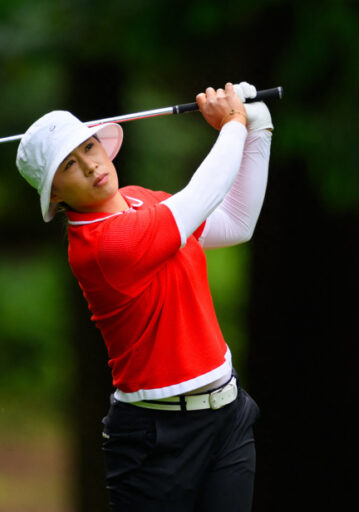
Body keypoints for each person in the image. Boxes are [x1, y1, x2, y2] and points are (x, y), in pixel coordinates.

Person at [16, 82, 272, 511]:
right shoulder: (103, 247)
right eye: (70, 165)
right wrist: (233, 126)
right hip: (156, 441)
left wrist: (257, 128)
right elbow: (198, 199)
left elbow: (237, 221)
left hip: (227, 418)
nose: (91, 165)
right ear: (55, 194)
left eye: (90, 147)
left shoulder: (140, 201)